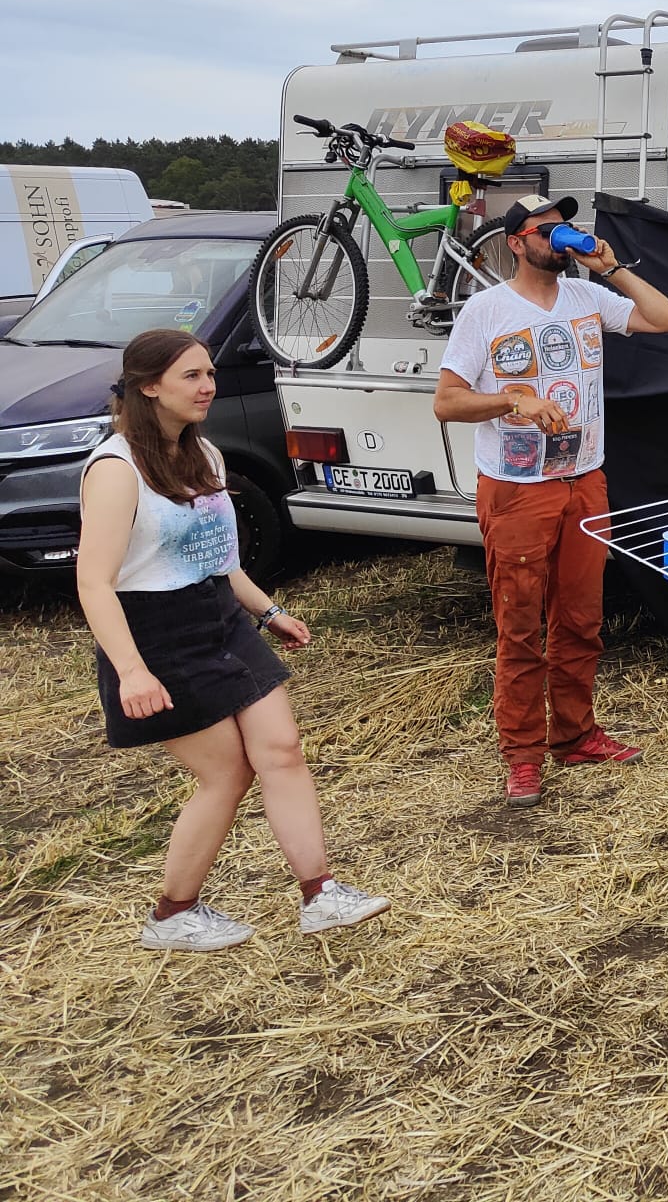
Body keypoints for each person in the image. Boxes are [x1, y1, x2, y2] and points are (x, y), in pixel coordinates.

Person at [75, 329, 389, 951]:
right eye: (191, 375)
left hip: (219, 618)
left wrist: (268, 611)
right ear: (148, 387)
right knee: (226, 775)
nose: (209, 386)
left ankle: (320, 895)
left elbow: (217, 558)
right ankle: (172, 915)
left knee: (283, 750)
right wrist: (133, 672)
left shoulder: (207, 456)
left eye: (210, 373)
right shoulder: (115, 470)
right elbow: (93, 583)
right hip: (153, 635)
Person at [434, 195, 668, 808]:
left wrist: (611, 267)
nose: (561, 238)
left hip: (585, 482)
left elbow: (667, 318)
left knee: (580, 618)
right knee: (520, 628)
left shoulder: (588, 298)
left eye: (565, 228)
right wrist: (511, 400)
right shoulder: (485, 310)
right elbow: (447, 402)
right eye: (547, 230)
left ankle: (575, 734)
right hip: (518, 490)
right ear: (517, 243)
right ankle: (521, 755)